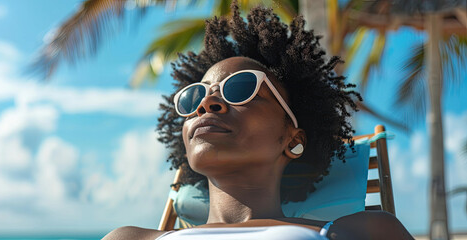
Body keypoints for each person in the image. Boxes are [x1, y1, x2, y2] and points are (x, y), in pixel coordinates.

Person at [103, 2, 413, 239]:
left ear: (293, 140)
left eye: (241, 88)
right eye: (194, 97)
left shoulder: (363, 231)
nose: (207, 104)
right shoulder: (128, 237)